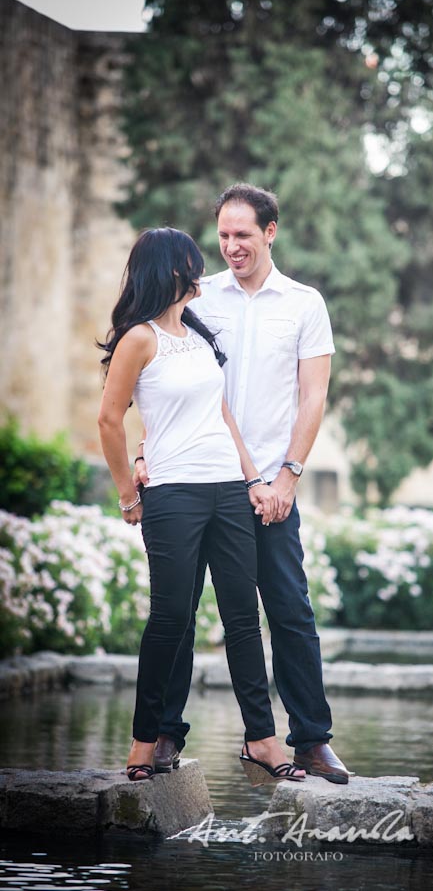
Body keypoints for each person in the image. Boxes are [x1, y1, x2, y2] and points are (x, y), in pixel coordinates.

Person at [135, 186, 352, 783]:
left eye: (243, 236)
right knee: (176, 614)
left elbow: (314, 395)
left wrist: (287, 476)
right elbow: (160, 378)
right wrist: (142, 451)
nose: (231, 247)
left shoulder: (305, 304)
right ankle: (162, 737)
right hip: (201, 477)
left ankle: (309, 739)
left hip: (273, 491)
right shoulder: (197, 297)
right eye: (223, 236)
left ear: (271, 231)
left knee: (289, 611)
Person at [97, 227, 306, 785]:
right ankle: (144, 744)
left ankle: (262, 740)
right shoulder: (138, 339)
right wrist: (127, 492)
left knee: (242, 619)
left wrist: (253, 479)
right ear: (168, 271)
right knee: (169, 619)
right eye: (191, 263)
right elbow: (109, 419)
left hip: (226, 492)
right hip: (172, 495)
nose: (200, 272)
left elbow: (223, 416)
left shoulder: (196, 330)